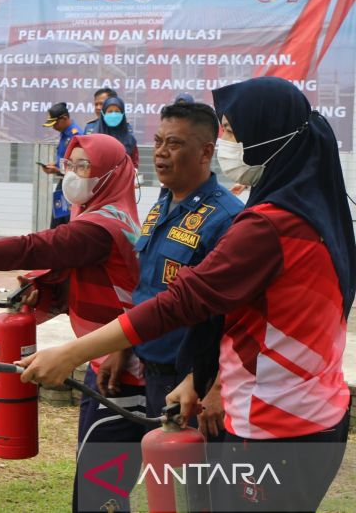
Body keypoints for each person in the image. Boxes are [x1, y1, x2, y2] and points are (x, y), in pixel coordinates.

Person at [19, 76, 354, 512]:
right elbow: (247, 313)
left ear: (268, 137)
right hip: (313, 414)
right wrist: (201, 379)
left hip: (273, 427)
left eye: (232, 132)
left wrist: (72, 352)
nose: (226, 142)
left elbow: (183, 301)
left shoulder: (268, 225)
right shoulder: (316, 212)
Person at [0, 134, 145, 512]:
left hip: (128, 371)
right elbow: (97, 283)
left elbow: (36, 246)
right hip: (105, 360)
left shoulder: (101, 226)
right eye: (71, 165)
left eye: (85, 166)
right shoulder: (98, 215)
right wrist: (48, 290)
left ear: (110, 173)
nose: (73, 174)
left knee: (101, 488)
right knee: (93, 478)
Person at [120, 102, 242, 432]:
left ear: (205, 152)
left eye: (173, 144)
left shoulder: (226, 219)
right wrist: (123, 347)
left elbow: (234, 317)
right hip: (148, 367)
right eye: (158, 142)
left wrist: (210, 383)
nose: (160, 153)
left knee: (190, 480)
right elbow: (147, 287)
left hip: (190, 380)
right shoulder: (163, 204)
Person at [41, 102, 82, 228]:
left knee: (66, 226)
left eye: (55, 123)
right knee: (56, 224)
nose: (53, 127)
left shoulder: (76, 136)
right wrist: (55, 165)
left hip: (73, 186)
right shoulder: (64, 134)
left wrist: (57, 170)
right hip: (62, 185)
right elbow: (64, 158)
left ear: (64, 118)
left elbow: (79, 166)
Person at [92, 96, 140, 169]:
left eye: (117, 111)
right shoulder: (94, 138)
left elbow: (134, 164)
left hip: (124, 179)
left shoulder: (130, 139)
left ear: (123, 114)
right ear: (103, 113)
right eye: (110, 111)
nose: (113, 115)